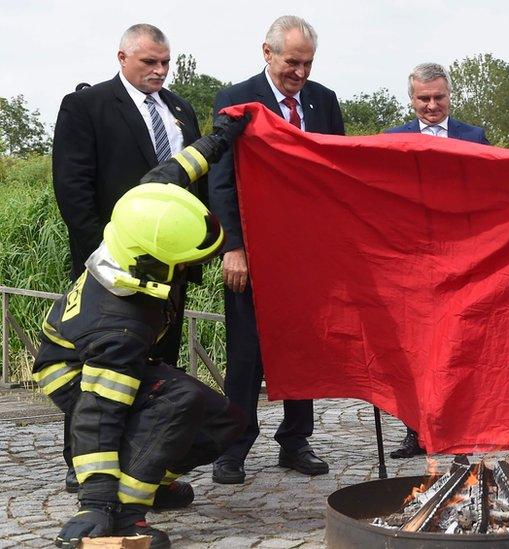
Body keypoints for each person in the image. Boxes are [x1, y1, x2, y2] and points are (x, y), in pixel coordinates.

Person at [35, 116, 250, 549]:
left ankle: (149, 483)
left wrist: (222, 137)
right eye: (186, 263)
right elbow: (98, 415)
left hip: (101, 351)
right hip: (74, 371)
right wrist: (93, 502)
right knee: (176, 400)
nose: (192, 268)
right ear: (154, 265)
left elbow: (177, 170)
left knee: (226, 421)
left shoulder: (143, 210)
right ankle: (125, 512)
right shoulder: (121, 325)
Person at [52, 23, 203, 493]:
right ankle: (89, 470)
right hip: (110, 271)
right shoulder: (87, 106)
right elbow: (73, 189)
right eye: (149, 63)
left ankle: (142, 468)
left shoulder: (181, 110)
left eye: (165, 62)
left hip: (169, 271)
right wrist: (107, 255)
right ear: (122, 57)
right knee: (102, 373)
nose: (159, 71)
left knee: (157, 368)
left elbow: (193, 184)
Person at [209, 15, 345, 484]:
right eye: (293, 62)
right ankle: (234, 447)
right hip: (252, 252)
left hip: (307, 255)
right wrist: (234, 247)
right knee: (246, 352)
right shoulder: (235, 100)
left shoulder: (324, 101)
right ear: (267, 54)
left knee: (302, 346)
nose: (301, 73)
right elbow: (222, 179)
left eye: (308, 63)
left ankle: (295, 440)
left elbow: (335, 174)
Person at [384, 62, 491, 459]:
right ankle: (415, 430)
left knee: (461, 344)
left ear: (450, 95)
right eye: (423, 98)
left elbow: (489, 191)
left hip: (461, 257)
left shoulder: (473, 137)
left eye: (438, 97)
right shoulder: (392, 140)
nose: (431, 106)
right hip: (410, 260)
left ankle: (461, 427)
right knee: (414, 347)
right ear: (411, 98)